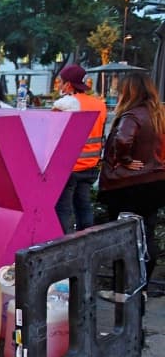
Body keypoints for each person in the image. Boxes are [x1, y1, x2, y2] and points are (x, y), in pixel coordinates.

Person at [97, 72, 165, 278]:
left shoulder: (132, 115)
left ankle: (124, 286)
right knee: (147, 233)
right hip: (156, 182)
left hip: (128, 184)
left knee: (122, 235)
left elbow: (123, 140)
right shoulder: (159, 114)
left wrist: (125, 160)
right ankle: (142, 284)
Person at [52, 63, 108, 233]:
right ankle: (87, 241)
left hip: (69, 167)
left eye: (61, 82)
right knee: (83, 206)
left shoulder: (64, 104)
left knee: (64, 209)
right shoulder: (100, 104)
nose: (59, 85)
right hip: (91, 165)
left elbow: (51, 133)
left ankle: (65, 247)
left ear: (68, 84)